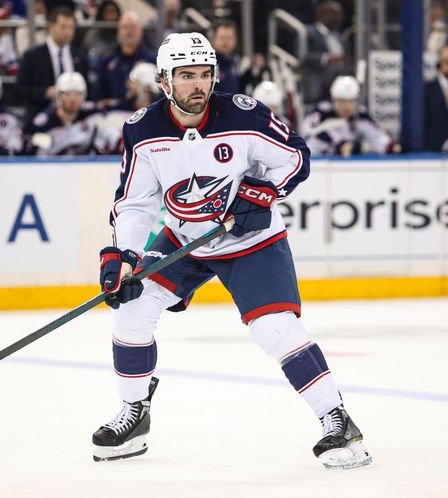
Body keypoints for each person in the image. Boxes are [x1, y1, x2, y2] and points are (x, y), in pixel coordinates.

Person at [91, 32, 372, 470]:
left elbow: (296, 157)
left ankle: (337, 420)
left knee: (275, 329)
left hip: (251, 241)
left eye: (205, 74)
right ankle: (134, 413)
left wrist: (264, 192)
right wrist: (124, 255)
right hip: (185, 239)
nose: (198, 85)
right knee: (131, 311)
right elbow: (135, 203)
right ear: (164, 81)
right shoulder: (142, 130)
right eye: (186, 76)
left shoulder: (245, 115)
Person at [17, 7, 89, 127]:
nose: (68, 32)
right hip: (41, 116)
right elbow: (20, 89)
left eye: (71, 28)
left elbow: (87, 89)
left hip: (75, 119)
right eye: (63, 27)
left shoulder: (80, 57)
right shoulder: (33, 56)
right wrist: (46, 92)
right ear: (51, 27)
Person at [25, 71, 121, 156]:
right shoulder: (42, 123)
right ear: (58, 96)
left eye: (77, 94)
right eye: (67, 94)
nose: (72, 99)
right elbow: (29, 153)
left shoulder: (92, 113)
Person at [302, 76, 400, 156]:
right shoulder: (322, 112)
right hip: (315, 164)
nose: (346, 107)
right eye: (342, 101)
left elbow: (376, 135)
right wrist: (339, 145)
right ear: (334, 99)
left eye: (350, 101)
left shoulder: (360, 115)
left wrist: (389, 145)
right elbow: (310, 132)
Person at [93, 11, 155, 107]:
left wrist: (147, 92)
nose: (129, 31)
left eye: (133, 27)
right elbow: (99, 98)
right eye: (125, 27)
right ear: (118, 31)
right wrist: (126, 97)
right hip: (114, 118)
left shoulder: (153, 61)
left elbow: (163, 96)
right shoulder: (106, 62)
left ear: (141, 31)